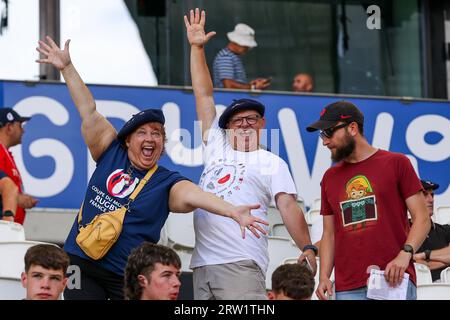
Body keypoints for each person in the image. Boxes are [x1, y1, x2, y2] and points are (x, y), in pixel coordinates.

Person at [36, 36, 268, 300]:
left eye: (157, 133)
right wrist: (67, 68)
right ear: (128, 140)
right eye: (142, 132)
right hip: (81, 262)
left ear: (163, 143)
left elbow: (196, 196)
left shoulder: (166, 181)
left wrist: (232, 211)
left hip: (126, 276)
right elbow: (88, 109)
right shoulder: (111, 151)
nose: (150, 138)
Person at [185, 8, 316, 300]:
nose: (244, 124)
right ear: (227, 127)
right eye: (237, 120)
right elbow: (203, 95)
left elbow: (289, 208)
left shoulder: (272, 162)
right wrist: (196, 49)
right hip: (202, 266)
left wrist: (307, 247)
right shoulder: (216, 143)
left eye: (251, 119)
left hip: (241, 264)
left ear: (262, 125)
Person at [307, 100, 430, 300]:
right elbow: (329, 234)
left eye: (328, 132)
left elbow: (422, 218)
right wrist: (324, 277)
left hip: (394, 278)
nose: (325, 141)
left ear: (352, 128)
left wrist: (405, 254)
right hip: (347, 286)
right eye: (322, 135)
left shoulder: (397, 163)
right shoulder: (329, 178)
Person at [0, 108, 38, 224]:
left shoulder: (5, 153)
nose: (23, 130)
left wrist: (19, 198)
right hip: (4, 230)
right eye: (20, 125)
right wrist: (18, 198)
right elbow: (6, 186)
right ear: (9, 127)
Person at [411, 180, 450, 281]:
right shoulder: (404, 231)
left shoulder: (444, 230)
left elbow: (418, 261)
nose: (431, 200)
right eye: (425, 195)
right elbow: (412, 264)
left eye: (432, 195)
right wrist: (446, 259)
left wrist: (425, 255)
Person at [212, 22, 270, 90]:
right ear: (235, 42)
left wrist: (251, 85)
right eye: (245, 46)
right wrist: (253, 87)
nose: (247, 48)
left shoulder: (232, 56)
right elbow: (228, 86)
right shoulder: (226, 57)